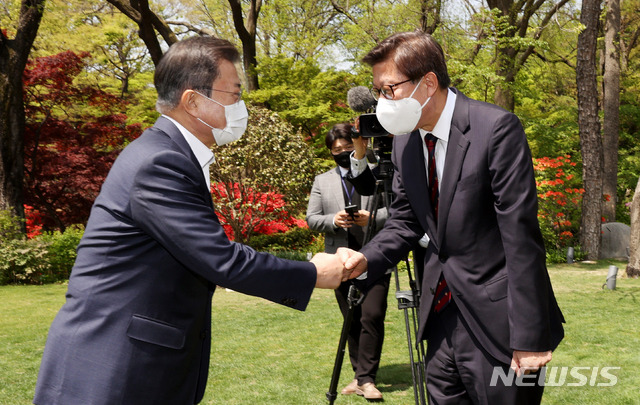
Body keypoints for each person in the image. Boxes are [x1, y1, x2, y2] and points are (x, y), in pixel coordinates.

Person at [33, 37, 352, 405]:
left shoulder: (169, 154)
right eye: (234, 93)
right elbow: (221, 260)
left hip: (134, 365)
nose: (241, 106)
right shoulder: (159, 162)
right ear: (194, 101)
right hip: (110, 369)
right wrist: (312, 273)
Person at [340, 31, 565, 405]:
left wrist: (529, 337)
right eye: (378, 90)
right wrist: (365, 259)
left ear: (428, 83)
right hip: (440, 320)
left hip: (502, 324)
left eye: (389, 89)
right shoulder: (404, 142)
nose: (381, 101)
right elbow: (404, 223)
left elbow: (520, 238)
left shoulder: (495, 129)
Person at [306, 123, 389, 400]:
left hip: (373, 255)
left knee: (372, 315)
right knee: (351, 319)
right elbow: (312, 218)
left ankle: (367, 379)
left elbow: (398, 213)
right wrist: (334, 220)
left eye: (347, 147)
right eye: (336, 150)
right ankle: (359, 375)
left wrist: (372, 218)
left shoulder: (377, 173)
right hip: (339, 261)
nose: (342, 153)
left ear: (357, 146)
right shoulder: (323, 180)